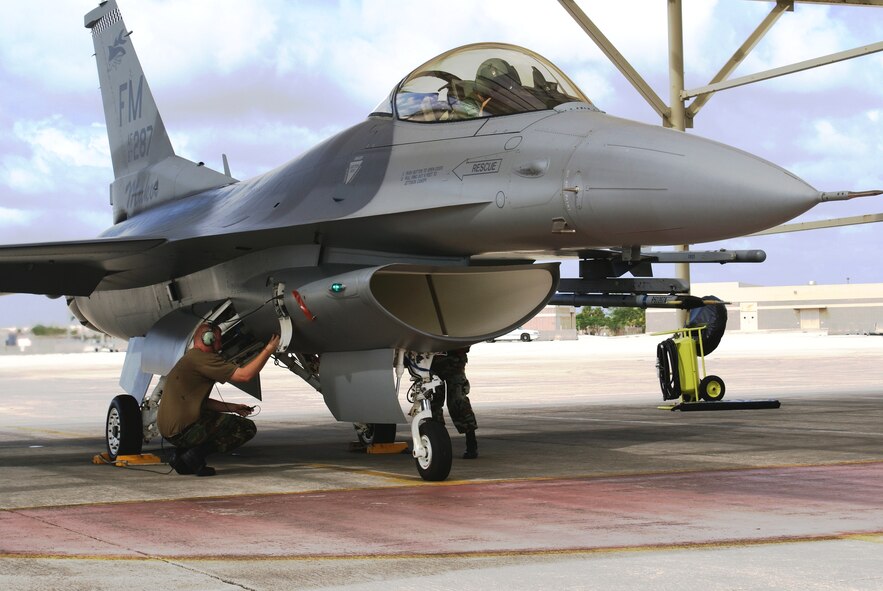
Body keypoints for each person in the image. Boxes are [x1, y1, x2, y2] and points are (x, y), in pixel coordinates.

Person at [157, 323, 281, 476]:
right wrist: (269, 349)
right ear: (208, 339)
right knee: (245, 428)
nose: (221, 344)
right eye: (218, 339)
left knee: (215, 421)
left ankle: (182, 457)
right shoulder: (203, 359)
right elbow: (244, 375)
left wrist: (232, 407)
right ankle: (196, 455)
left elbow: (200, 402)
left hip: (170, 432)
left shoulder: (191, 357)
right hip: (184, 431)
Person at [430, 347, 478, 459]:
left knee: (458, 402)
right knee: (433, 404)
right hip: (430, 362)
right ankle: (438, 443)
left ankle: (471, 444)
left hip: (454, 361)